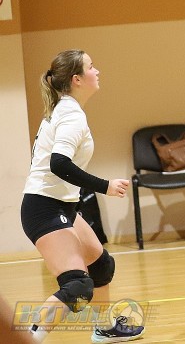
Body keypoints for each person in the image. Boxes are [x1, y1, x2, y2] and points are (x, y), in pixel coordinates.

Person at [20, 50, 144, 342]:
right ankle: (29, 339)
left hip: (61, 205)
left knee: (101, 267)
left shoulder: (66, 109)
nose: (97, 71)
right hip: (43, 208)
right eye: (91, 66)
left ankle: (104, 328)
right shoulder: (71, 115)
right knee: (77, 286)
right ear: (77, 79)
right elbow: (59, 163)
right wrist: (106, 186)